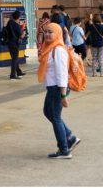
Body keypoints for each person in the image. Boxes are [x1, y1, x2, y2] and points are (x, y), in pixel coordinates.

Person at [39, 22, 79, 159]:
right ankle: (69, 137)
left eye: (51, 32)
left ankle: (64, 149)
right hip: (52, 87)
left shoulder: (58, 50)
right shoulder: (49, 48)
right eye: (46, 32)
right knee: (47, 112)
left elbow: (62, 74)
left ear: (58, 34)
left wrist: (63, 95)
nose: (47, 34)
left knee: (55, 117)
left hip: (58, 88)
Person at [5, 10, 24, 80]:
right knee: (14, 59)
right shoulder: (16, 25)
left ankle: (18, 71)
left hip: (9, 43)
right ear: (18, 17)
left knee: (15, 57)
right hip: (15, 43)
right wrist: (23, 34)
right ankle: (13, 74)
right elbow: (21, 36)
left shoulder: (9, 23)